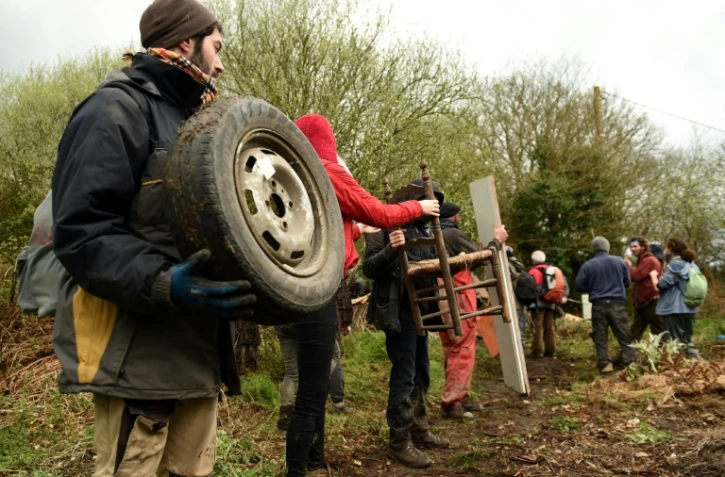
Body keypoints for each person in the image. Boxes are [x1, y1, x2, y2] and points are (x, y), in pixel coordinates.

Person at [51, 2, 256, 476]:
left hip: (198, 360)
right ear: (186, 41)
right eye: (217, 48)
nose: (221, 63)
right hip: (137, 364)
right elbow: (81, 233)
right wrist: (164, 281)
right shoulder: (115, 108)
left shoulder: (198, 124)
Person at [282, 114, 440, 476]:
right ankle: (300, 470)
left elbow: (321, 234)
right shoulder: (326, 169)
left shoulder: (294, 174)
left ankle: (315, 463)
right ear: (325, 141)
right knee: (311, 393)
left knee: (311, 386)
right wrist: (420, 207)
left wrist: (355, 230)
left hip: (295, 285)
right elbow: (382, 213)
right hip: (319, 289)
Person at [437, 202, 507, 419]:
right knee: (463, 345)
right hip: (458, 294)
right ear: (454, 217)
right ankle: (453, 401)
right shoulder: (452, 233)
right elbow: (484, 255)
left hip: (442, 296)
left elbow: (468, 262)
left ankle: (462, 394)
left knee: (453, 346)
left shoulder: (434, 234)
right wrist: (497, 240)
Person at [575, 237, 636, 373]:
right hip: (617, 304)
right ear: (608, 248)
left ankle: (605, 365)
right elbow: (627, 282)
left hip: (598, 304)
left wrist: (593, 287)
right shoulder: (620, 262)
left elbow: (579, 285)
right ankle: (631, 364)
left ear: (593, 249)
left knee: (600, 336)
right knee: (624, 335)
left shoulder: (588, 265)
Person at [650, 238, 703, 360]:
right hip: (691, 307)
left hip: (675, 309)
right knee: (687, 342)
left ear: (670, 249)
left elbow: (660, 286)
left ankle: (681, 370)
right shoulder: (692, 264)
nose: (665, 250)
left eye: (666, 247)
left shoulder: (675, 264)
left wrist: (653, 276)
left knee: (675, 343)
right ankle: (699, 367)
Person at [527, 251, 569, 358]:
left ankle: (537, 351)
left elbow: (531, 288)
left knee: (537, 327)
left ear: (533, 260)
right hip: (551, 303)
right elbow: (563, 284)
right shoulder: (553, 270)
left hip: (538, 304)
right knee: (549, 327)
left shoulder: (533, 271)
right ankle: (551, 350)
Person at [624, 237, 664, 341]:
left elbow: (636, 276)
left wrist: (628, 266)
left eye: (635, 246)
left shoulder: (650, 260)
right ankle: (627, 356)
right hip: (643, 303)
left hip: (651, 301)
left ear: (643, 247)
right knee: (635, 332)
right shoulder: (642, 260)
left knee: (659, 332)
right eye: (631, 247)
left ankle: (665, 355)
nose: (632, 249)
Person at [506, 246, 529, 350]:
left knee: (513, 327)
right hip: (520, 300)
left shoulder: (505, 265)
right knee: (520, 325)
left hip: (511, 300)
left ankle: (516, 349)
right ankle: (521, 347)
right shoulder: (518, 264)